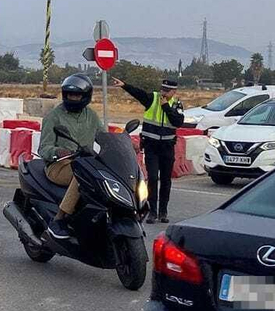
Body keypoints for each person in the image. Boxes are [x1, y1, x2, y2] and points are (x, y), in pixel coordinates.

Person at [39, 73, 104, 240]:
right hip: (59, 166)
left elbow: (104, 136)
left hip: (86, 162)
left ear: (86, 96)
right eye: (69, 94)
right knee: (82, 175)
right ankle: (58, 220)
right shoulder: (54, 116)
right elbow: (43, 148)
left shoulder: (91, 116)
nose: (73, 98)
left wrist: (124, 142)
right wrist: (59, 152)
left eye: (77, 95)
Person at [113, 76, 185, 223]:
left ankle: (163, 212)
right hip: (151, 147)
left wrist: (166, 106)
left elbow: (178, 122)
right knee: (152, 178)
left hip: (167, 147)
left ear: (174, 92)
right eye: (162, 89)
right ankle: (153, 211)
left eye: (167, 91)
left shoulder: (176, 104)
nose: (163, 93)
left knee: (165, 180)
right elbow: (138, 93)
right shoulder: (152, 98)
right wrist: (124, 85)